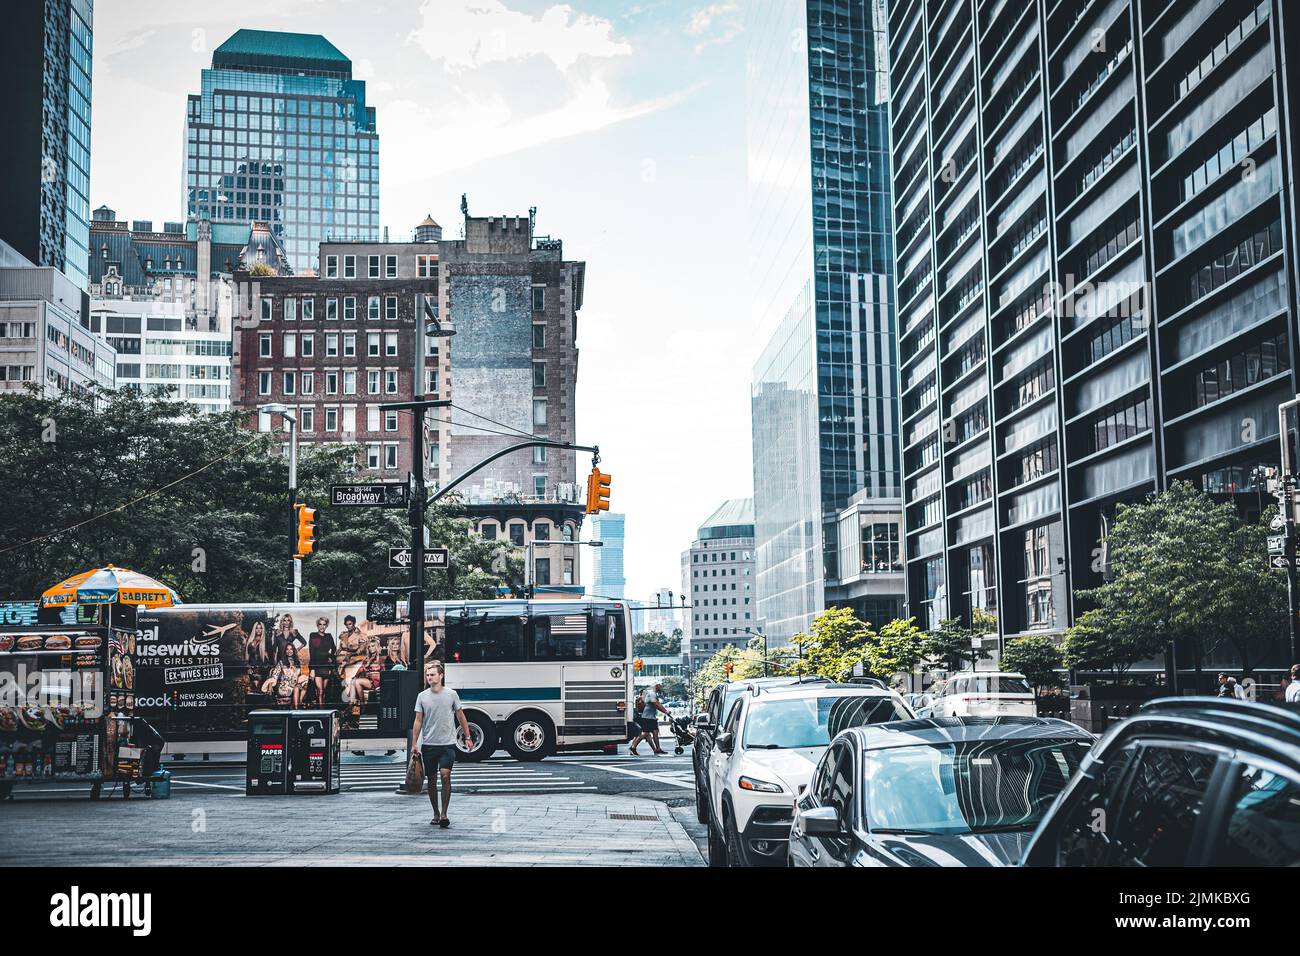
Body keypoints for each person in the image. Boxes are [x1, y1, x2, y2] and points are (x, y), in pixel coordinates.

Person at [411, 660, 474, 828]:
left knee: (445, 776)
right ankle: (435, 813)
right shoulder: (422, 696)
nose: (429, 677)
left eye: (432, 674)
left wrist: (467, 737)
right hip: (429, 744)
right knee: (431, 779)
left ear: (441, 675)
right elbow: (418, 721)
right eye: (427, 675)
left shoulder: (451, 694)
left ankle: (444, 814)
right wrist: (414, 744)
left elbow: (461, 716)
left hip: (448, 744)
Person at [308, 617, 337, 706]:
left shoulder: (329, 636)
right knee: (320, 691)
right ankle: (321, 710)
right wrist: (312, 669)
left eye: (324, 624)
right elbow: (313, 652)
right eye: (320, 624)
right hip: (317, 667)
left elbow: (334, 648)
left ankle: (321, 706)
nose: (322, 626)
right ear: (317, 625)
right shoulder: (313, 635)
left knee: (323, 691)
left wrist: (330, 658)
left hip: (326, 666)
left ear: (326, 625)